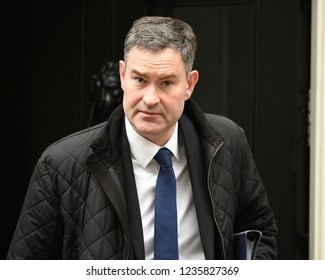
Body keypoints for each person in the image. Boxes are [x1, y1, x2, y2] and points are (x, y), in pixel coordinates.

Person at [7, 16, 277, 260]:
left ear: (190, 84)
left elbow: (260, 232)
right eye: (139, 80)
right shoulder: (60, 165)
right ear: (123, 76)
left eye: (166, 83)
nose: (150, 98)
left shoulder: (228, 142)